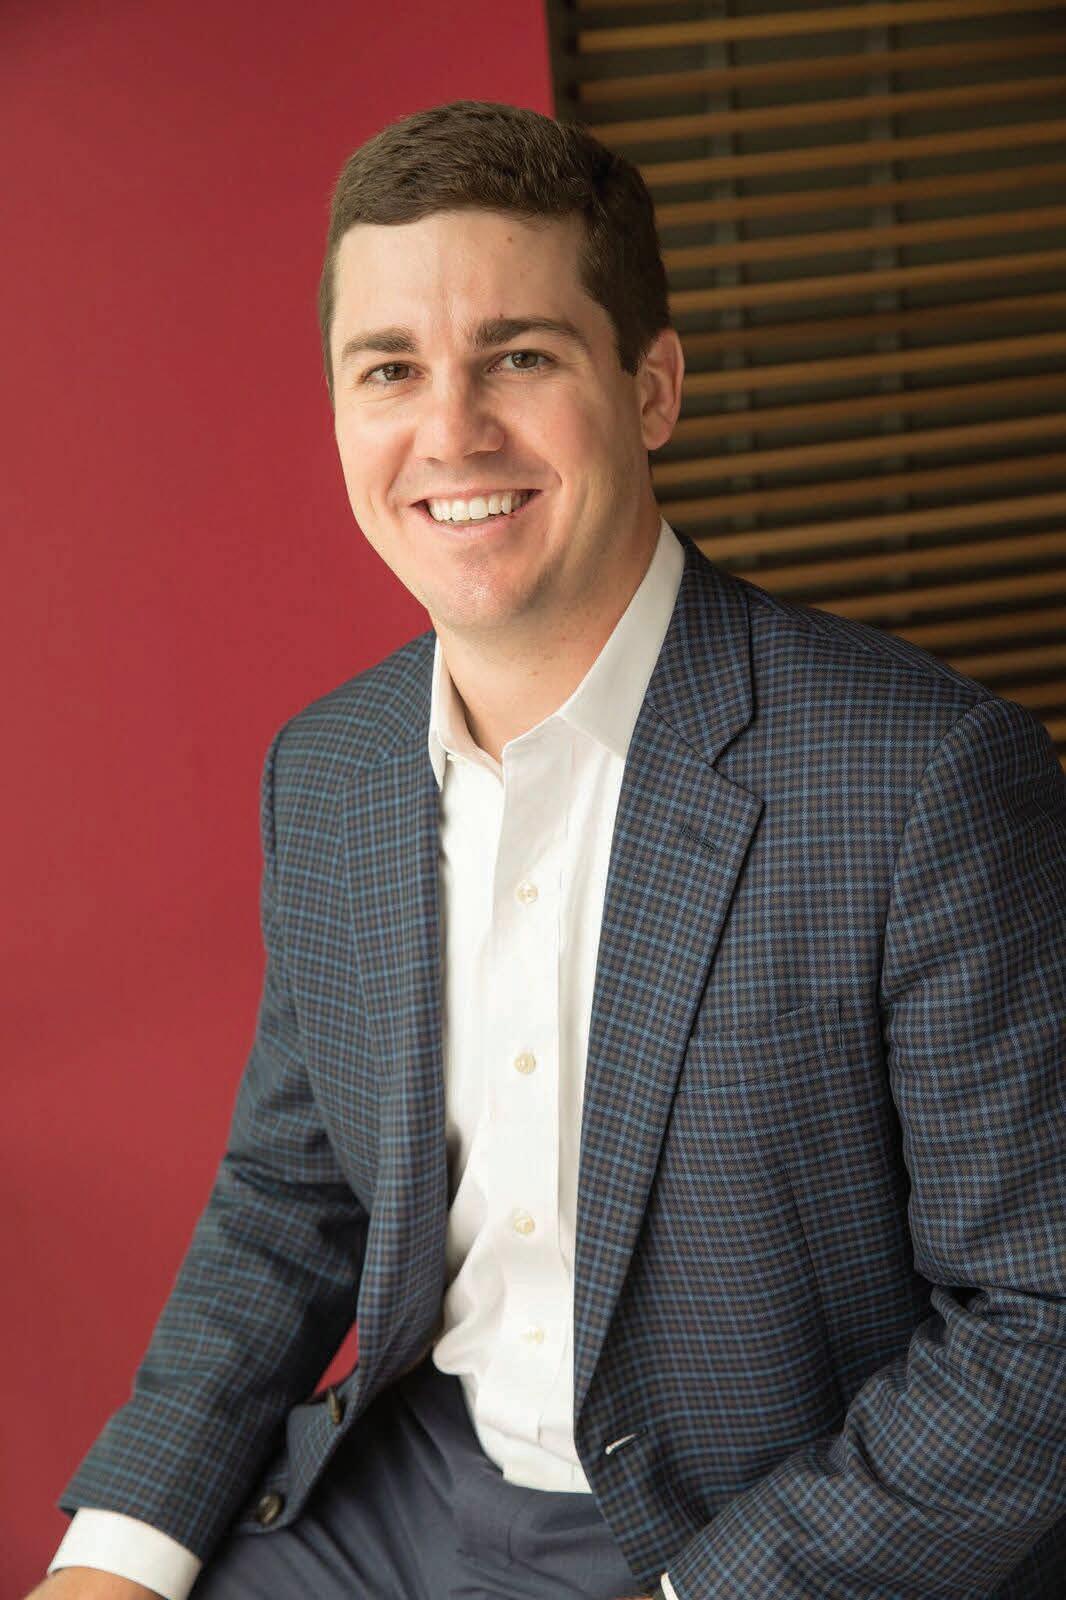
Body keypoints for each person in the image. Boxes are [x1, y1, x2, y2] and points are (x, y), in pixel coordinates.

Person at [30, 99, 1064, 1600]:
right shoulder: (326, 774)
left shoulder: (922, 779)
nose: (450, 433)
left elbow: (1040, 1325)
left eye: (519, 356)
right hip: (398, 1492)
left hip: (738, 1530)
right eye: (391, 370)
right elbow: (287, 1203)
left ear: (652, 388)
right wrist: (115, 1555)